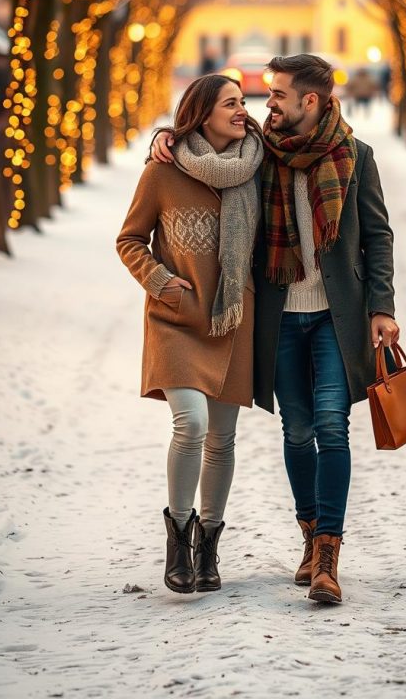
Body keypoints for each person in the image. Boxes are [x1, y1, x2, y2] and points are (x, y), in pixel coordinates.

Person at [152, 54, 399, 605]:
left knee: (333, 427)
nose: (268, 105)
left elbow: (377, 235)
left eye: (277, 96)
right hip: (279, 318)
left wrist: (381, 305)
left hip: (337, 317)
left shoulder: (357, 157)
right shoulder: (262, 156)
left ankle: (328, 557)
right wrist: (164, 138)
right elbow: (207, 151)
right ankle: (309, 535)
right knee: (297, 431)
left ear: (310, 102)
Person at [116, 75, 264, 594]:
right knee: (193, 423)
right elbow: (130, 238)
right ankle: (178, 537)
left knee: (223, 439)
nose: (243, 110)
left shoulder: (256, 164)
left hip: (232, 319)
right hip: (176, 319)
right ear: (202, 112)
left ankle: (208, 550)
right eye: (231, 103)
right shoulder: (163, 170)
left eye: (244, 102)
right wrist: (161, 282)